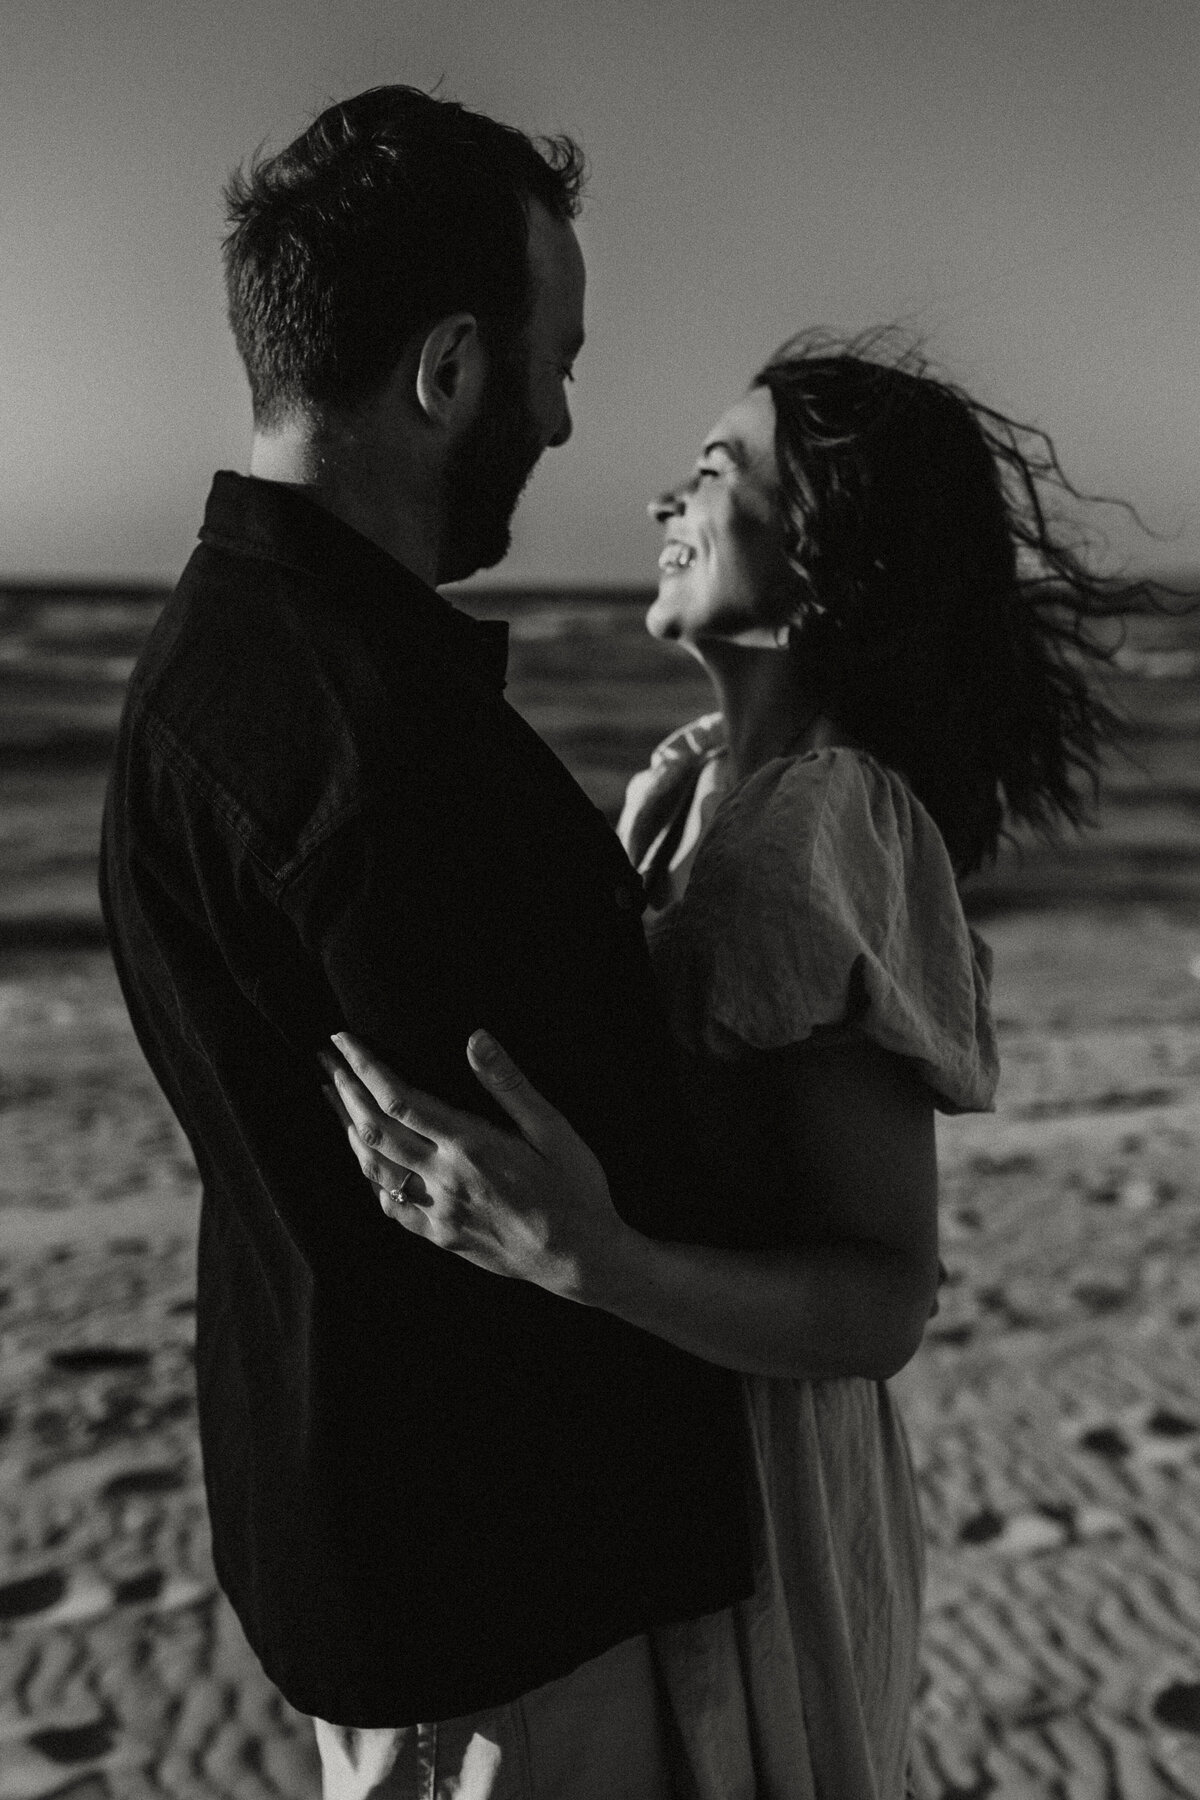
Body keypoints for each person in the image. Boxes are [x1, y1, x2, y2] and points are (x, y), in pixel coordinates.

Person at [326, 335, 1151, 1798]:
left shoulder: (822, 828)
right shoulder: (697, 783)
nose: (666, 498)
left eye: (719, 470)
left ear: (828, 560)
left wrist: (591, 1257)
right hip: (671, 1459)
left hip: (763, 1500)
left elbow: (884, 1292)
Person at [100, 85, 757, 1800]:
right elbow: (614, 1190)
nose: (561, 413)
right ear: (447, 371)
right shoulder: (384, 756)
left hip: (360, 1540)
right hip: (500, 1615)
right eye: (557, 359)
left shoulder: (203, 662)